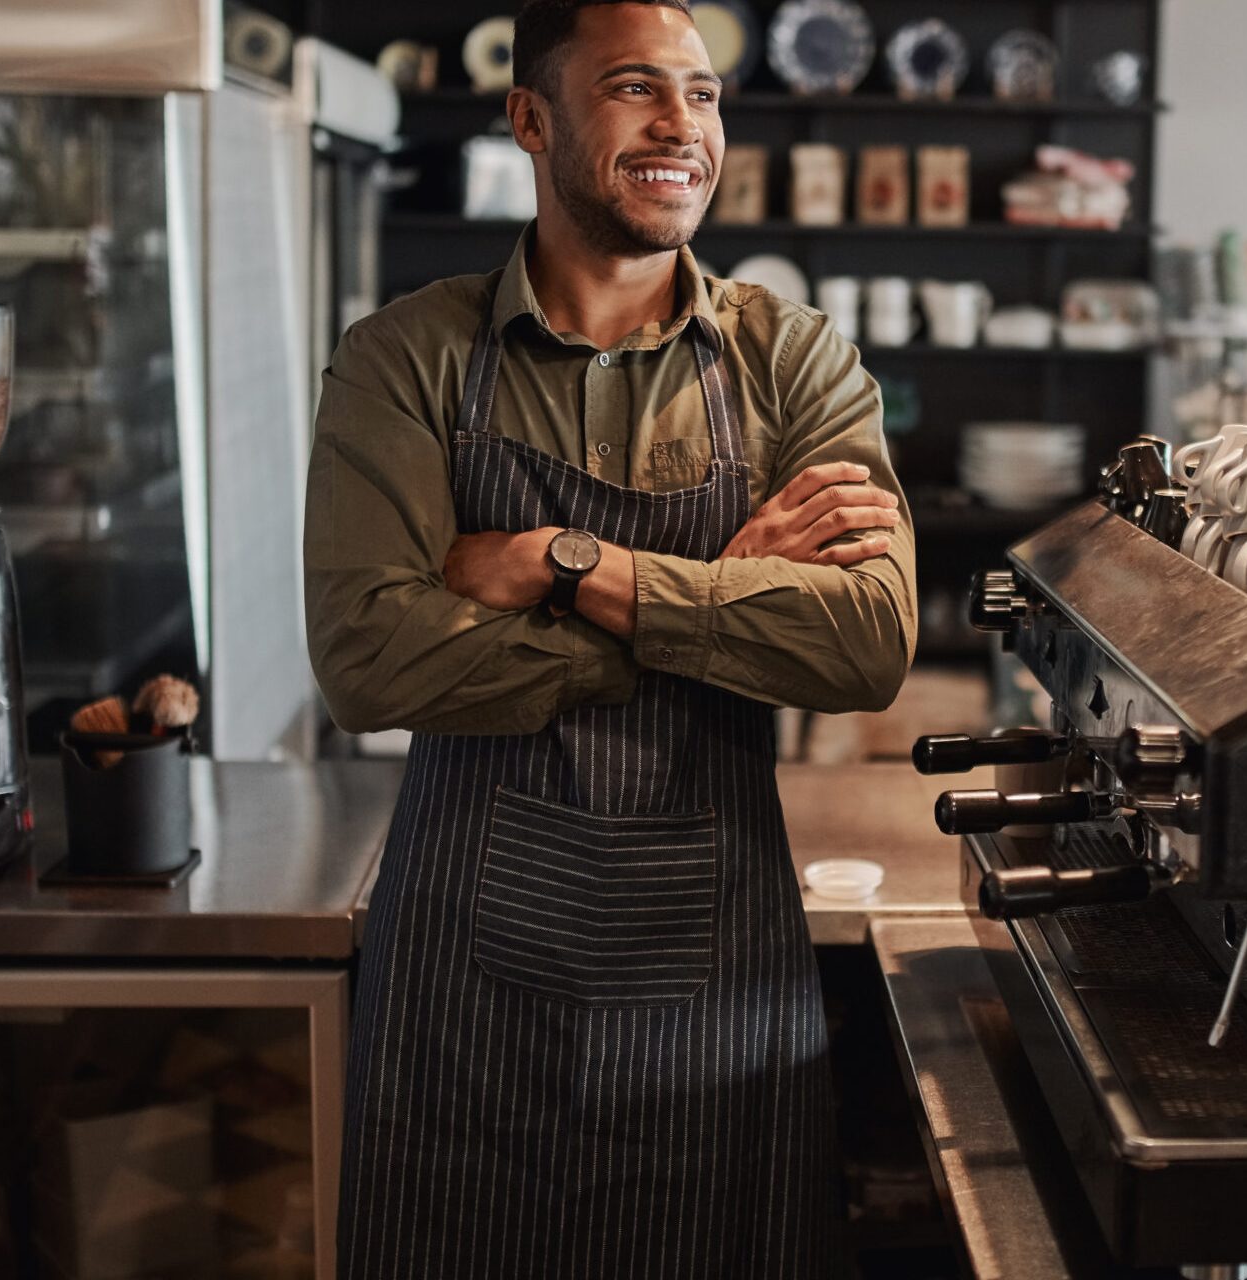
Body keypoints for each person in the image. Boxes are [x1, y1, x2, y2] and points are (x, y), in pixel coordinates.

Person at [301, 0, 916, 1273]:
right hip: (463, 986)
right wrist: (708, 602)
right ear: (531, 117)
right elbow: (368, 658)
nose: (679, 125)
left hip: (716, 983)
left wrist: (555, 564)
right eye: (635, 88)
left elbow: (864, 642)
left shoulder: (794, 359)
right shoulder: (404, 358)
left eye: (699, 94)